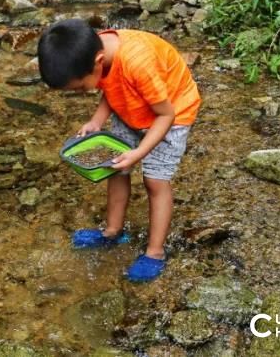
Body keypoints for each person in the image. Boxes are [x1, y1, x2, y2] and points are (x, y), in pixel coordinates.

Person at [37, 19, 201, 282]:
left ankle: (155, 252)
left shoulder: (137, 62)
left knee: (154, 180)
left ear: (98, 61)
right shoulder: (94, 51)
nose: (81, 93)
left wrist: (139, 152)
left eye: (79, 88)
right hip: (131, 107)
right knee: (116, 166)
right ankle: (112, 232)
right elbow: (110, 86)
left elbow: (165, 115)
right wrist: (96, 121)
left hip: (171, 114)